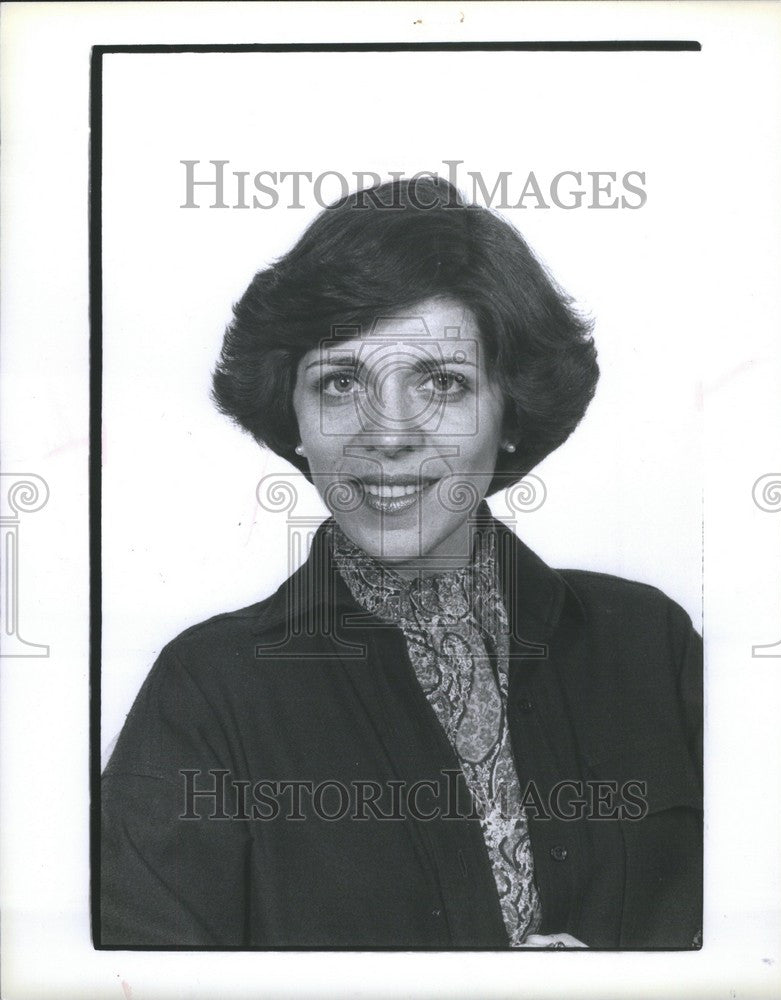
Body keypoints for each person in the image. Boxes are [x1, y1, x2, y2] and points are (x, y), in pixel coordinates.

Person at [100, 177, 702, 949]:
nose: (388, 436)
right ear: (295, 420)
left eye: (442, 383)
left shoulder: (649, 642)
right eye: (341, 382)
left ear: (509, 410)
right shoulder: (206, 694)